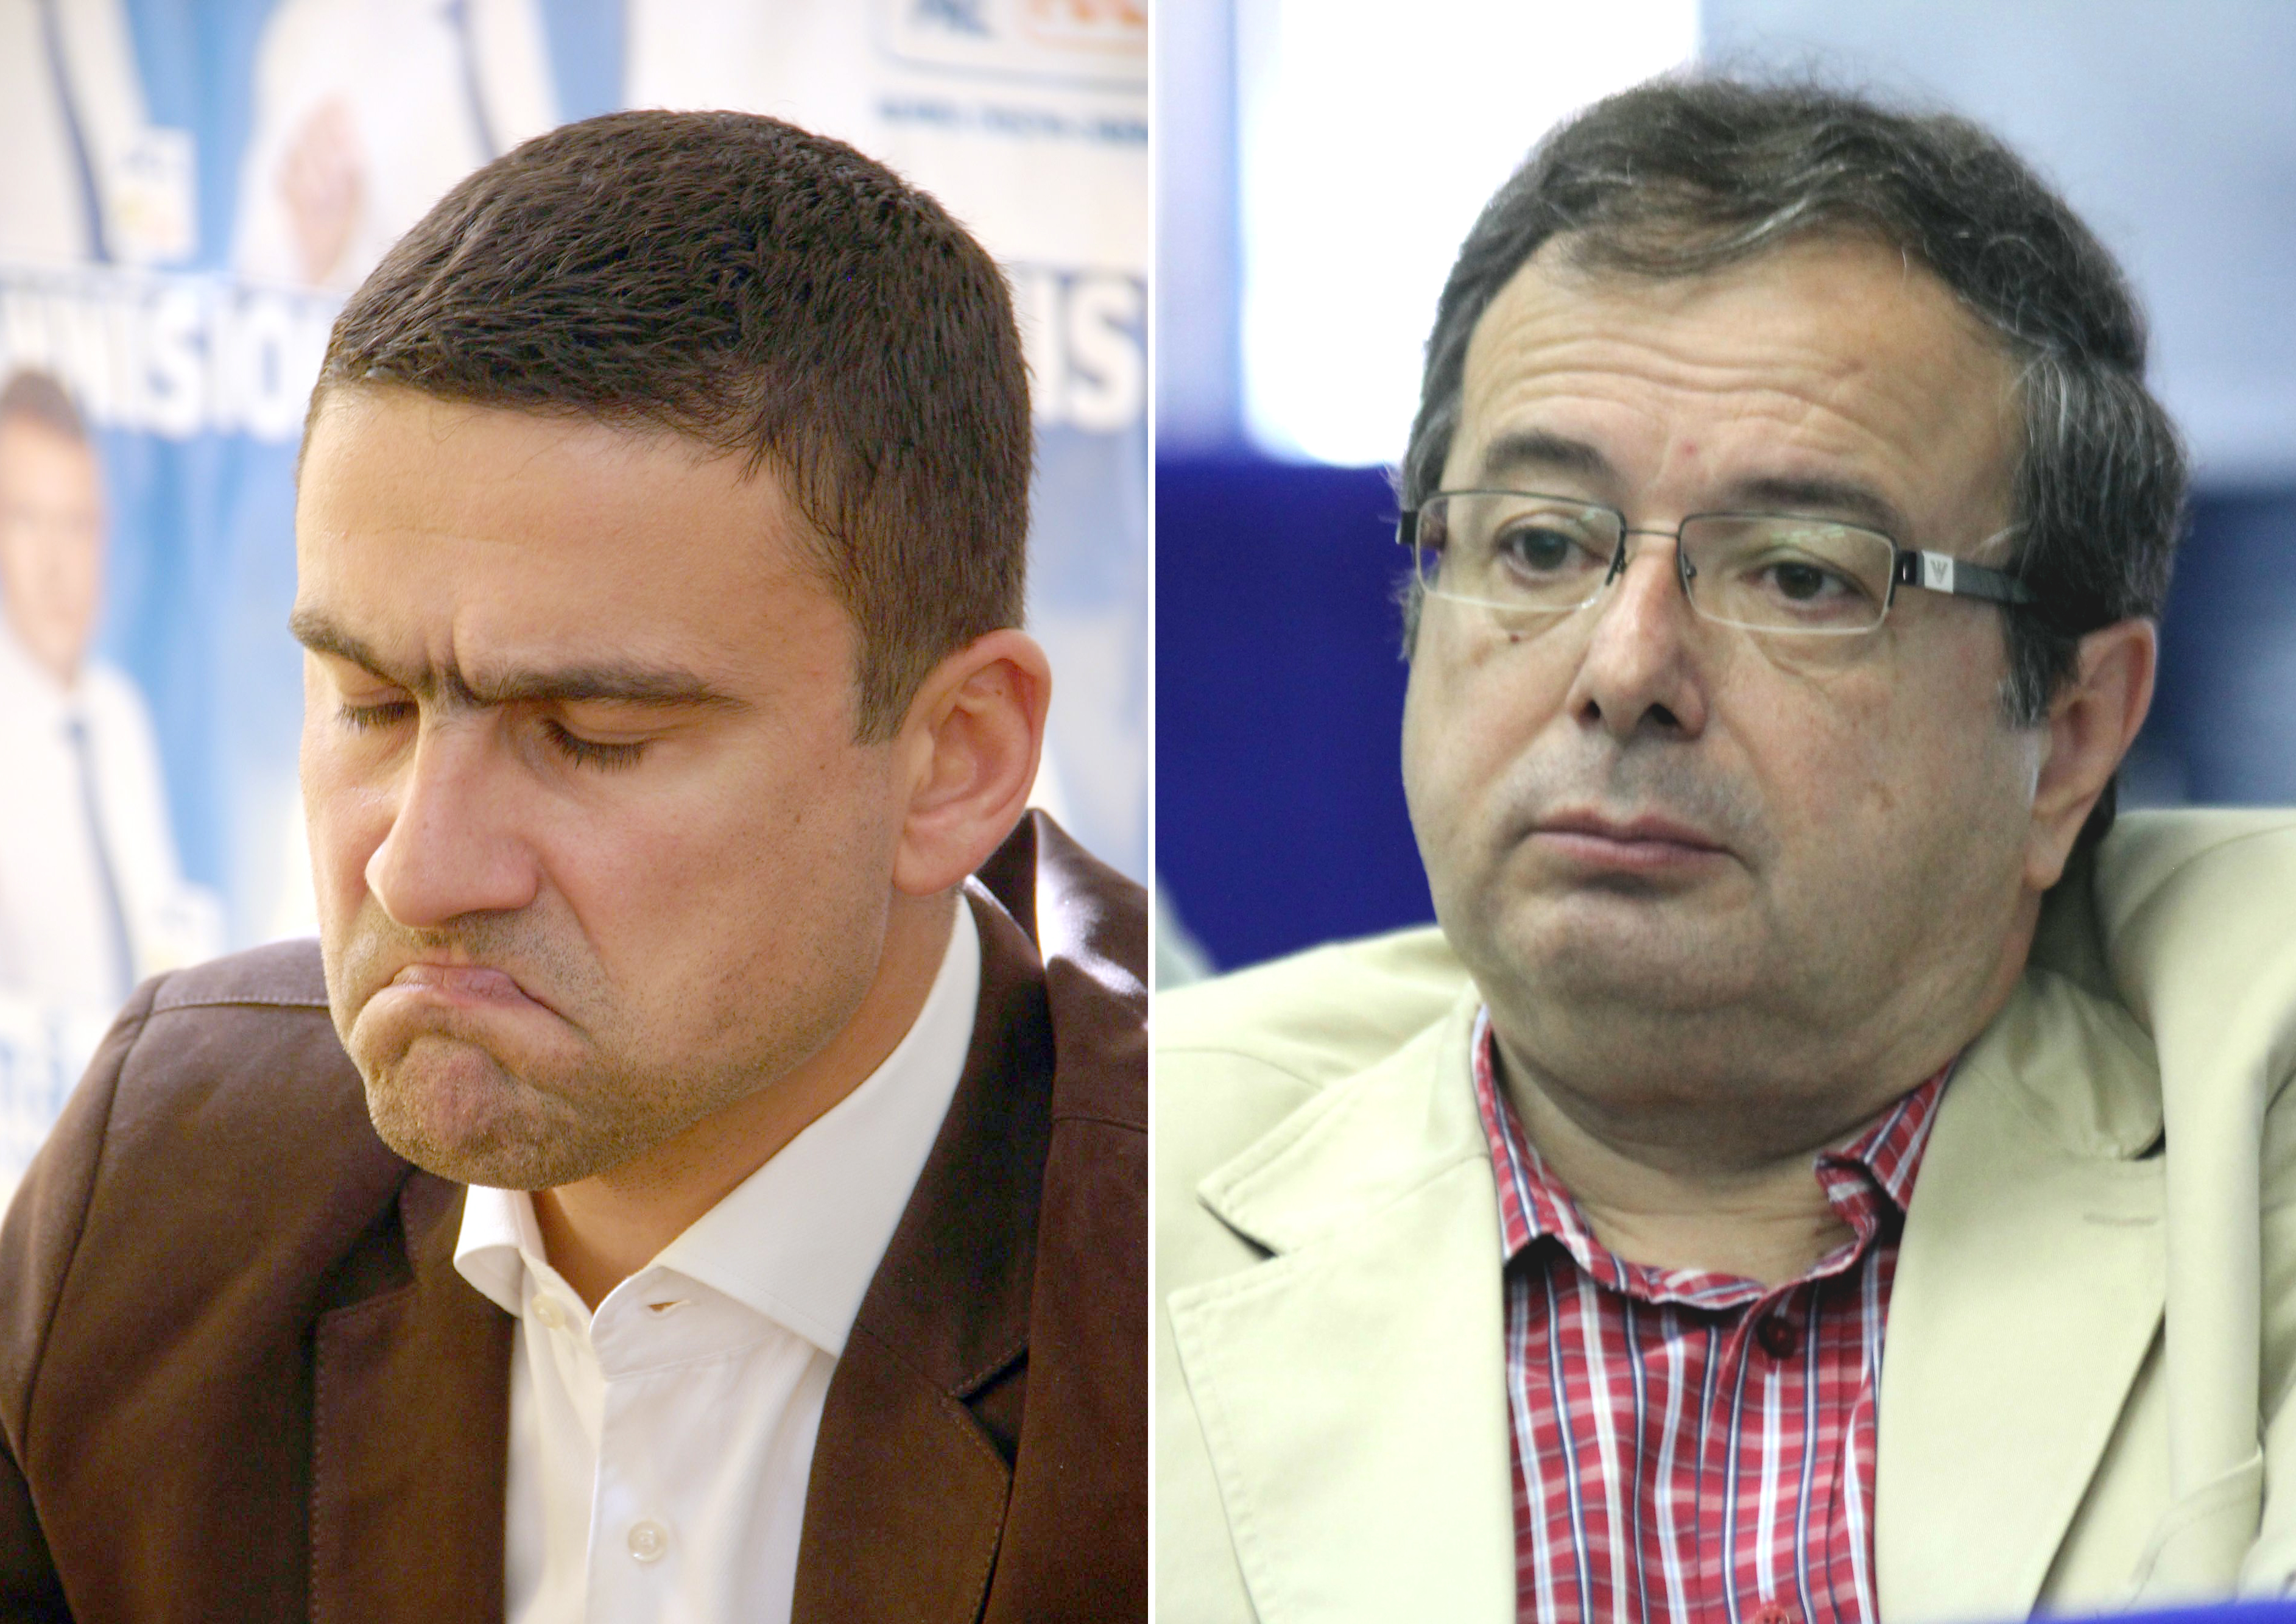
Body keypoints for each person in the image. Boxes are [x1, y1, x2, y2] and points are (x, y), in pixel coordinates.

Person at [1155, 77, 2296, 1623]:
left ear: (2074, 736)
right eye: (1540, 545)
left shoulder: (2251, 1167)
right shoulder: (1092, 1188)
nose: (1624, 666)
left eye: (1802, 576)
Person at [1, 110, 1145, 1622]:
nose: (418, 869)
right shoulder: (164, 1183)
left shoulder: (1200, 1297)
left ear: (954, 762)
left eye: (591, 735)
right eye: (371, 705)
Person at [0, 369, 220, 1193]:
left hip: (134, 1163)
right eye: (27, 521)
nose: (58, 564)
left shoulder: (119, 719)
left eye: (79, 525)